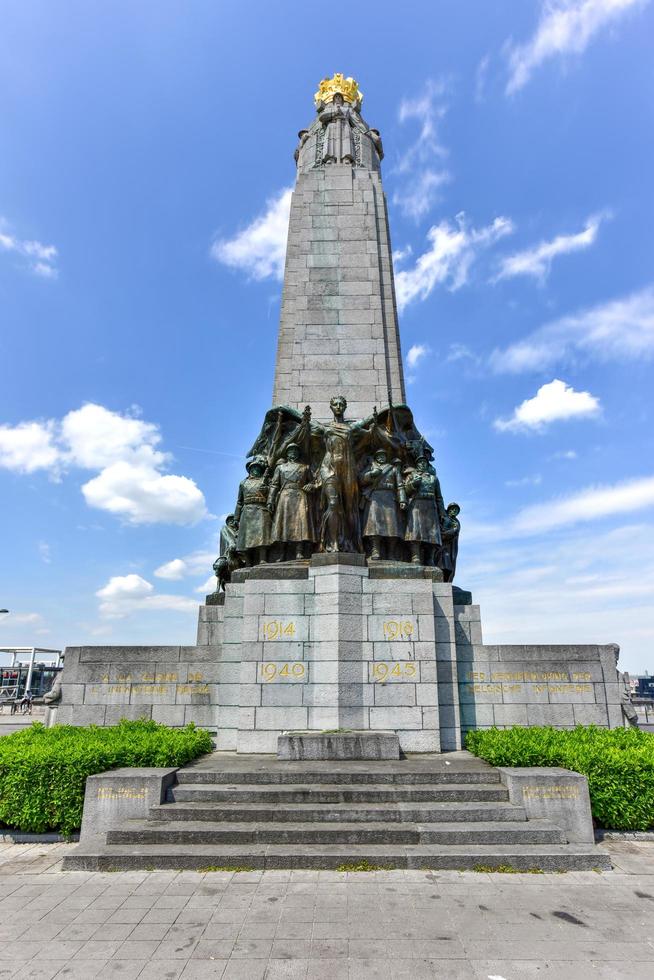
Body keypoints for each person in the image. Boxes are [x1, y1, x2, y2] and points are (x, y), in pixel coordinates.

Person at [267, 443, 317, 560]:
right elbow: (274, 485)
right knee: (282, 524)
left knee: (300, 524)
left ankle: (299, 551)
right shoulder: (280, 468)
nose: (293, 453)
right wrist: (270, 500)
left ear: (298, 453)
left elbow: (314, 482)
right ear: (287, 454)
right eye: (290, 451)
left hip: (300, 496)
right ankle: (281, 552)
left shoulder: (305, 467)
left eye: (295, 451)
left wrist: (310, 486)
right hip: (285, 497)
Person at [360, 449, 406, 560]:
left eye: (383, 455)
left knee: (392, 527)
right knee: (374, 525)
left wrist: (402, 500)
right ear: (376, 457)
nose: (381, 457)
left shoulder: (393, 469)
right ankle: (375, 551)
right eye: (379, 456)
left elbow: (400, 486)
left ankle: (391, 553)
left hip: (390, 498)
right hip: (375, 497)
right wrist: (371, 474)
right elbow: (361, 479)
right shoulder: (372, 467)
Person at [404, 455, 446, 566]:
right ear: (417, 465)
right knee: (415, 531)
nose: (422, 464)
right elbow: (405, 490)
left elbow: (439, 497)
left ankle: (429, 558)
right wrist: (413, 484)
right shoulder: (412, 476)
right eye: (420, 462)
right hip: (417, 504)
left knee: (432, 533)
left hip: (431, 506)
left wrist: (442, 512)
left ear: (427, 465)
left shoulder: (433, 478)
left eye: (424, 463)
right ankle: (415, 557)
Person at [233, 457, 271, 566]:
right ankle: (248, 561)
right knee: (247, 538)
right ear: (249, 470)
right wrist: (236, 517)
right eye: (253, 468)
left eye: (258, 468)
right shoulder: (243, 483)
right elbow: (239, 502)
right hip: (247, 511)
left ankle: (263, 559)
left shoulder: (266, 481)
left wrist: (266, 490)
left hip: (261, 509)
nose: (255, 470)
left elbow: (272, 495)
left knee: (263, 536)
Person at [440, 502, 461, 582]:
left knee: (448, 566)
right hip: (440, 545)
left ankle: (446, 582)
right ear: (449, 510)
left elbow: (455, 532)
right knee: (443, 564)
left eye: (456, 510)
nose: (454, 511)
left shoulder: (456, 522)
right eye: (453, 509)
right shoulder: (443, 517)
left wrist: (446, 533)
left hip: (449, 546)